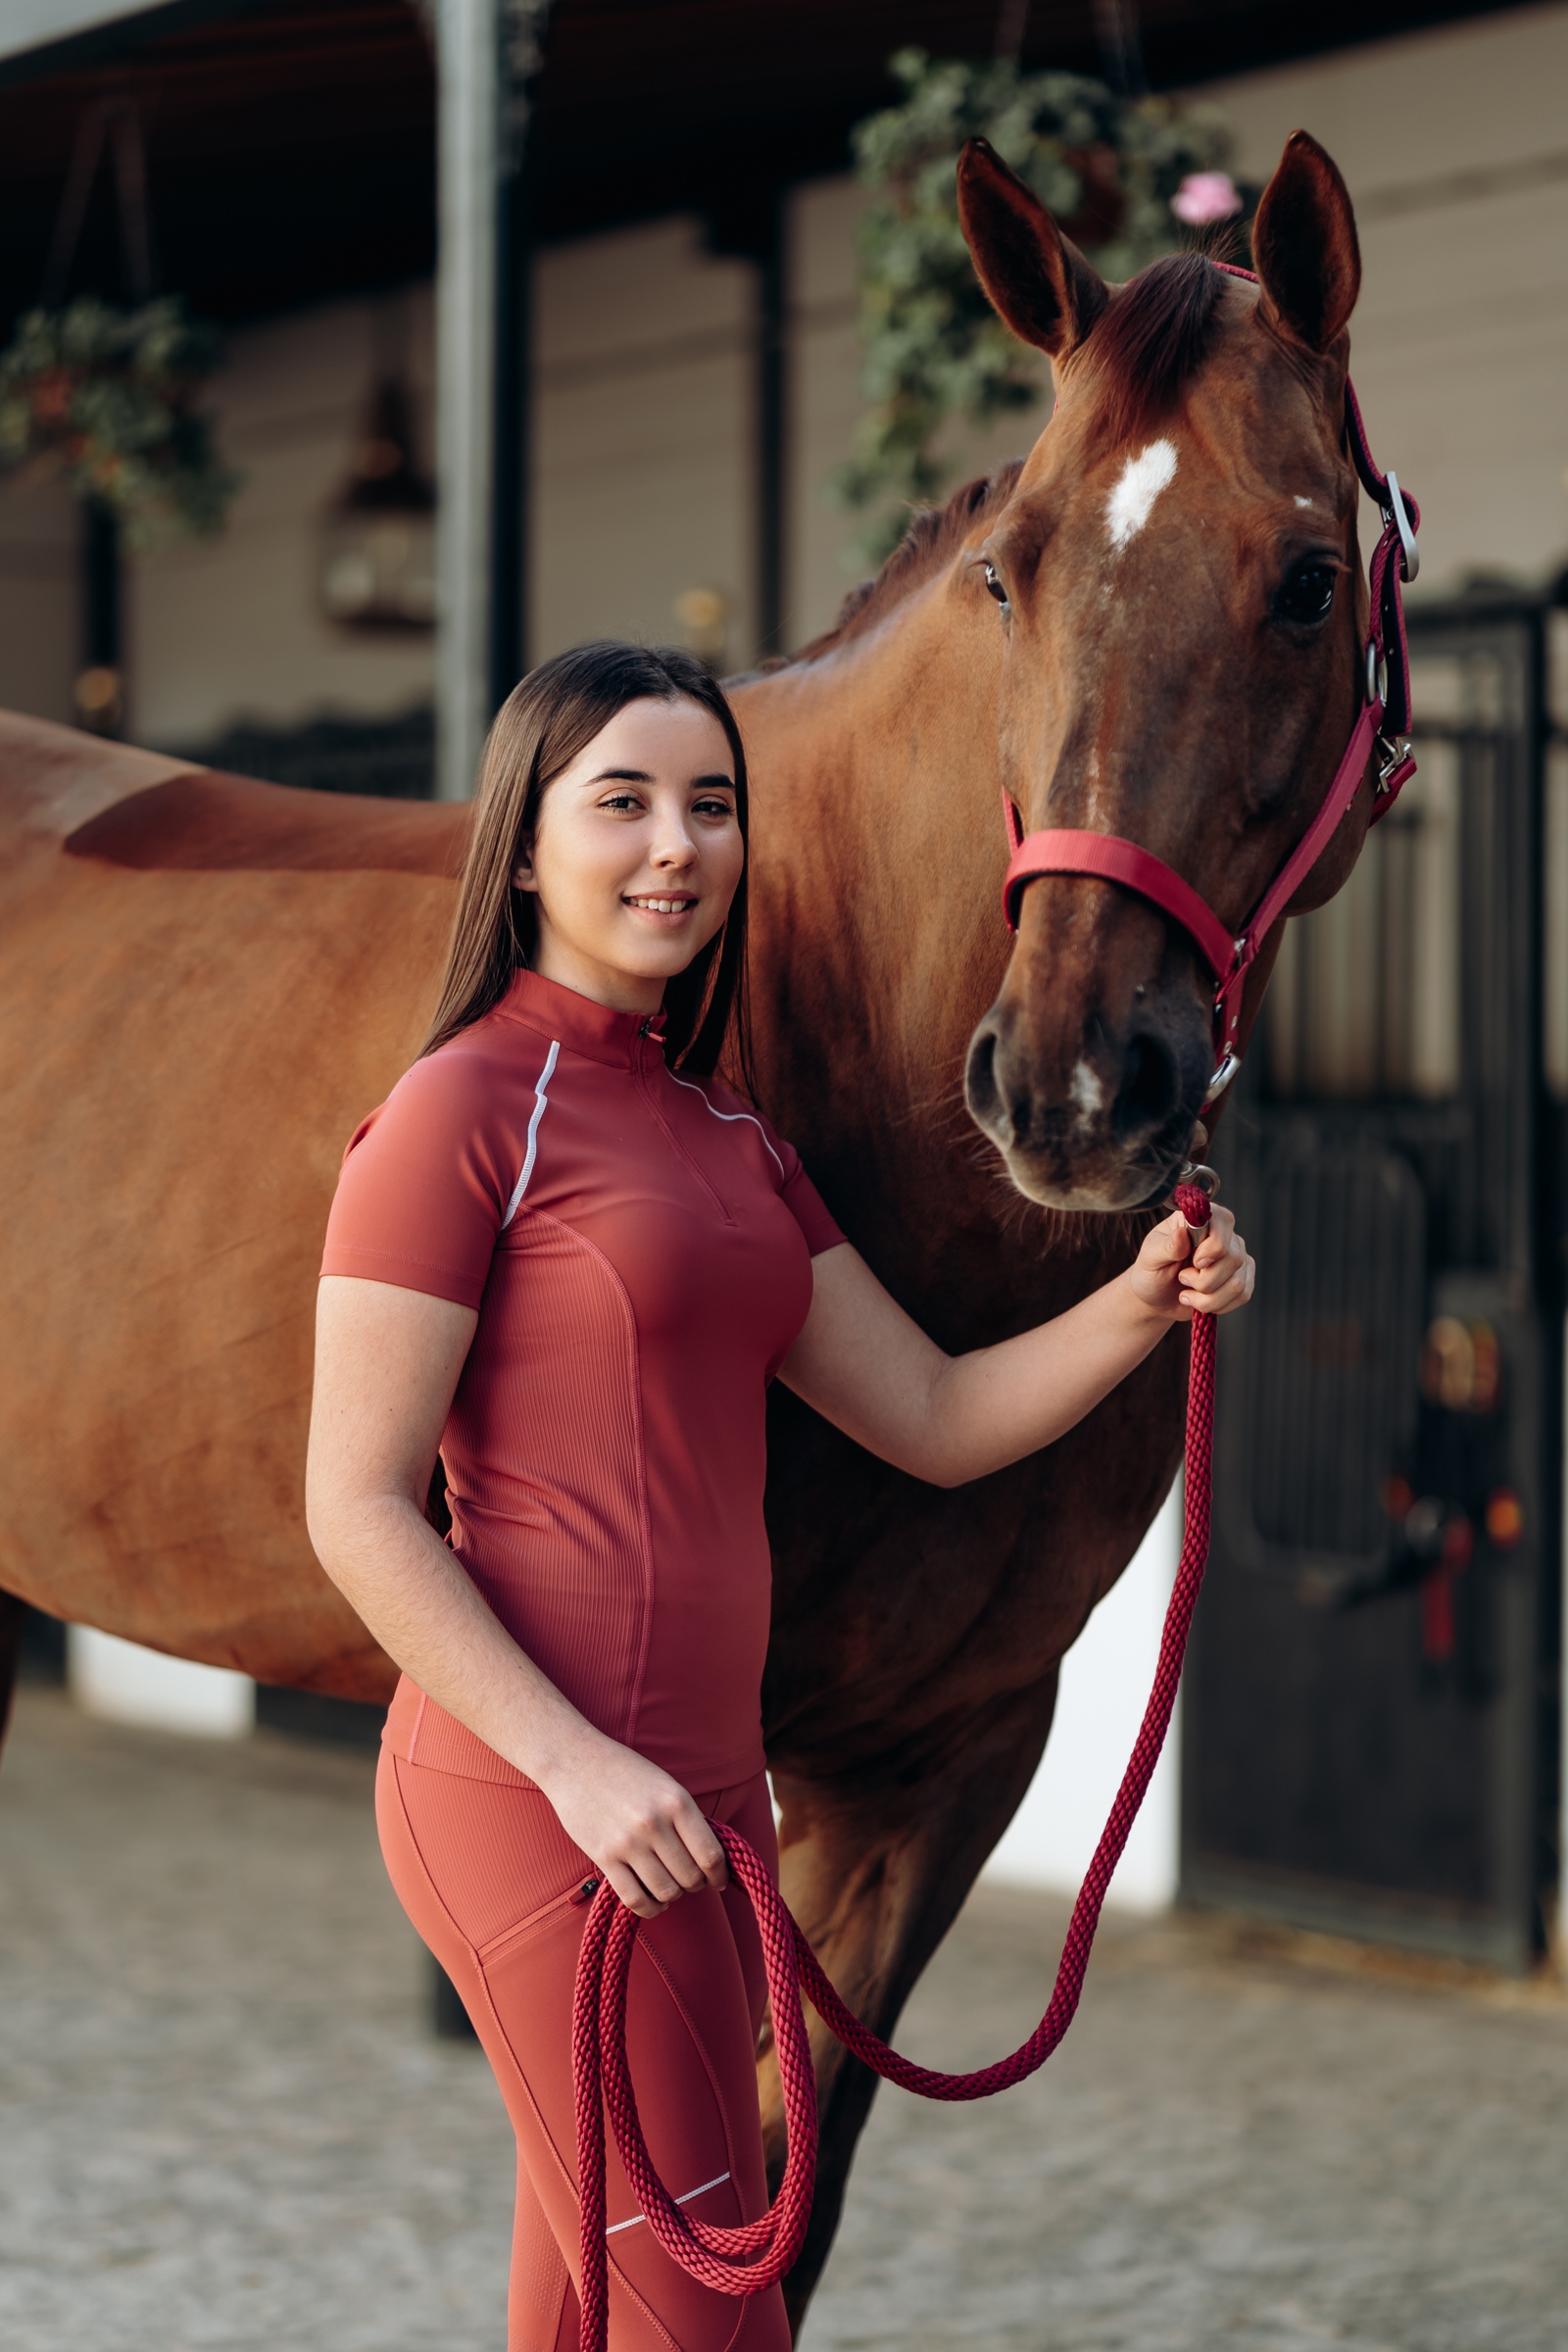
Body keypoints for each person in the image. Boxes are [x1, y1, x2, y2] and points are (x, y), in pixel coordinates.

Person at [305, 640, 1254, 2352]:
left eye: (712, 804)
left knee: (593, 2314)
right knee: (711, 2312)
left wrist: (1141, 1302)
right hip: (541, 1802)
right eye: (623, 802)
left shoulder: (729, 1139)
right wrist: (579, 1768)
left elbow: (938, 1418)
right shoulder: (455, 1118)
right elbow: (359, 1508)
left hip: (705, 1808)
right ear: (524, 847)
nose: (677, 844)